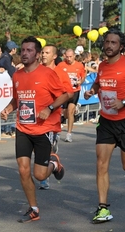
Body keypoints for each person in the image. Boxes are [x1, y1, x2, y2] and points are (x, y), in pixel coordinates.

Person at [0, 36, 69, 223]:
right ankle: (34, 208)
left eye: (29, 50)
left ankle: (53, 164)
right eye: (23, 50)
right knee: (23, 170)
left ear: (38, 55)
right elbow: (17, 99)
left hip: (44, 129)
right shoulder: (17, 75)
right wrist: (7, 108)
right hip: (23, 128)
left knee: (39, 175)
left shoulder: (48, 74)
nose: (24, 53)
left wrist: (50, 108)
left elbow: (64, 95)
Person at [83, 29, 125, 224]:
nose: (109, 45)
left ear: (121, 47)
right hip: (106, 121)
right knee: (101, 163)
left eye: (113, 43)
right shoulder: (102, 66)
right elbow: (98, 84)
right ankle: (102, 208)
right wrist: (91, 92)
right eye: (107, 42)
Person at [39, 44, 73, 190]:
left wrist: (52, 106)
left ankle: (44, 177)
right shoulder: (37, 70)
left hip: (52, 117)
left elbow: (69, 93)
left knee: (44, 148)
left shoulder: (60, 72)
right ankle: (53, 164)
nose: (43, 55)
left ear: (54, 56)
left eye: (47, 52)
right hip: (37, 117)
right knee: (37, 148)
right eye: (42, 52)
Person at [55, 48, 86, 143]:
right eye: (67, 57)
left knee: (70, 111)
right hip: (64, 92)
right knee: (64, 112)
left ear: (74, 56)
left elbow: (84, 76)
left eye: (70, 57)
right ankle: (58, 131)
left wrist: (80, 81)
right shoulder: (61, 65)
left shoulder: (79, 65)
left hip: (75, 91)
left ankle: (69, 134)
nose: (68, 59)